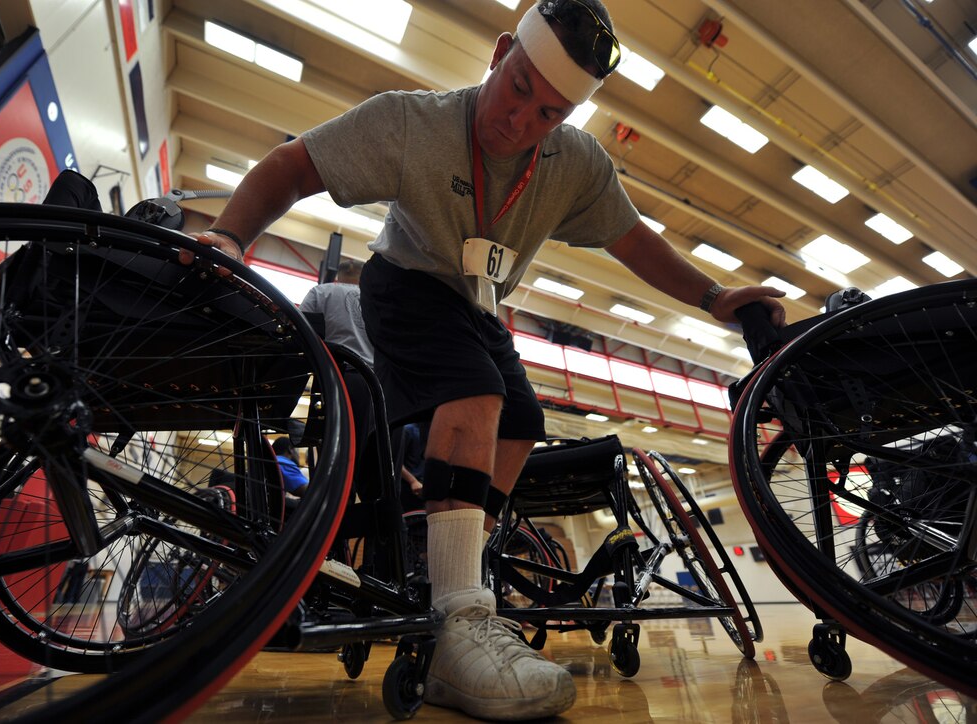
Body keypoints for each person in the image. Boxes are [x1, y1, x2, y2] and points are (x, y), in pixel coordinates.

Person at [184, 1, 786, 719]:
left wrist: (715, 296)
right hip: (406, 282)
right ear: (501, 53)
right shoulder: (412, 122)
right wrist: (228, 235)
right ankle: (458, 619)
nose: (521, 121)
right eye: (519, 87)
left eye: (549, 114)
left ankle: (443, 546)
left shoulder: (575, 164)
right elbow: (293, 166)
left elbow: (636, 242)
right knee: (475, 395)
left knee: (522, 422)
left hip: (481, 303)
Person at [299, 258, 374, 366]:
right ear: (364, 275)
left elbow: (301, 325)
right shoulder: (377, 299)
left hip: (331, 369)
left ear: (339, 274)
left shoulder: (320, 291)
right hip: (370, 373)